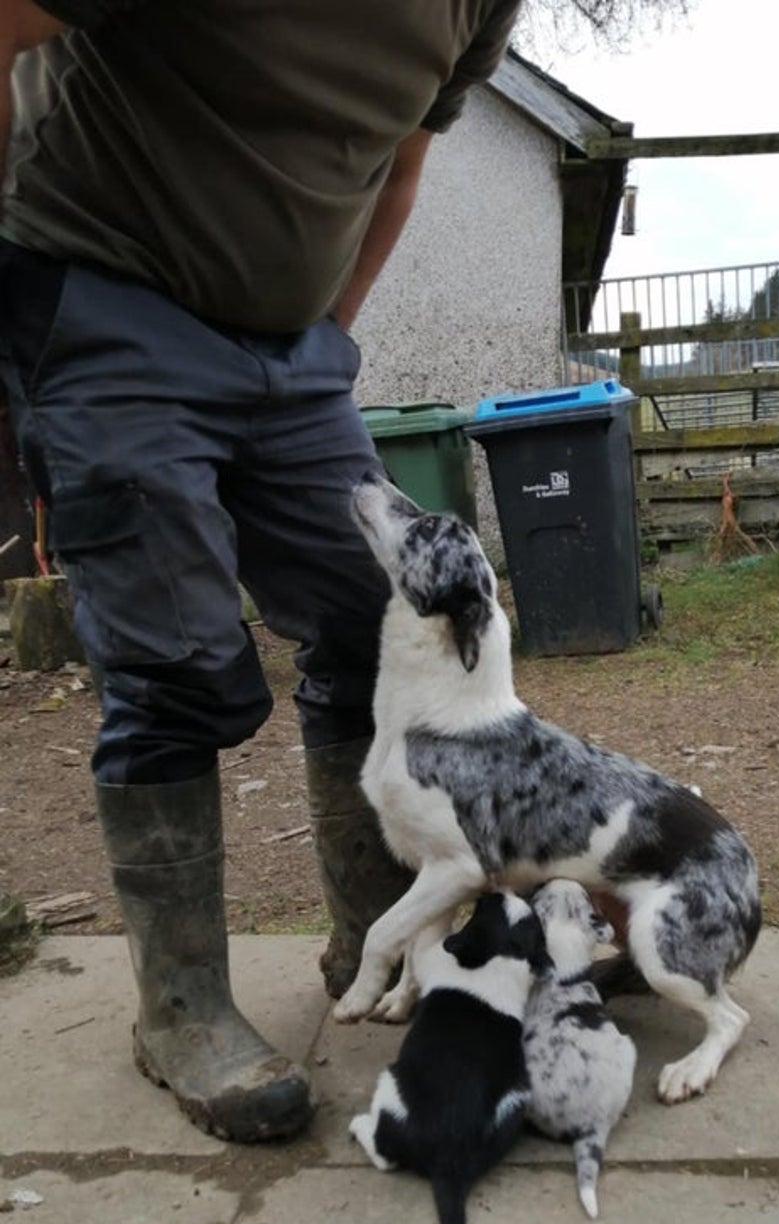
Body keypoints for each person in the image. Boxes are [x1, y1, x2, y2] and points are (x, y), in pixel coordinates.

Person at [0, 0, 522, 1143]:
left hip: (289, 348)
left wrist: (323, 336)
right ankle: (180, 1007)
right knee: (175, 658)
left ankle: (377, 933)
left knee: (384, 614)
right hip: (103, 297)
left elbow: (398, 165)